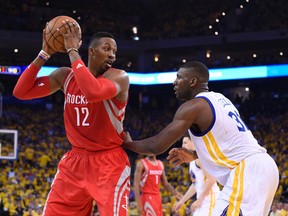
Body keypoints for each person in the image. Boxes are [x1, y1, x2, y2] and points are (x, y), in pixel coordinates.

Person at [123, 61, 279, 216]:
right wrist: (195, 155)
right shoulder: (221, 99)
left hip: (248, 170)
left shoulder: (194, 106)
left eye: (179, 78)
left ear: (192, 81)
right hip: (265, 167)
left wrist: (128, 143)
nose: (174, 82)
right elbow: (228, 143)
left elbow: (155, 146)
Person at [13, 20, 131, 215]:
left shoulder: (118, 77)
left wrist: (72, 51)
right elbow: (21, 92)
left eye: (114, 51)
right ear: (92, 51)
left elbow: (92, 92)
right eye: (107, 48)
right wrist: (44, 53)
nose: (112, 54)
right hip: (75, 161)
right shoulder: (65, 76)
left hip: (108, 162)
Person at [173, 135, 220, 216]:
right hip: (203, 200)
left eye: (185, 143)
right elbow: (195, 185)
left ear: (194, 142)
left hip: (210, 199)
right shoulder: (193, 160)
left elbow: (211, 179)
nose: (182, 146)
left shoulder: (200, 158)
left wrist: (200, 200)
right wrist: (182, 201)